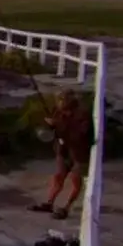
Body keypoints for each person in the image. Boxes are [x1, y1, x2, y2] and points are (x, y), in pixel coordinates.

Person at [31, 91, 94, 219]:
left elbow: (80, 135)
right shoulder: (57, 112)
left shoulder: (82, 115)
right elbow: (54, 129)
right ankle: (49, 203)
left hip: (79, 152)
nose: (60, 102)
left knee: (75, 180)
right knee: (58, 177)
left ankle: (66, 207)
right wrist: (48, 126)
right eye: (58, 99)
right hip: (63, 150)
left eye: (63, 99)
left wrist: (58, 125)